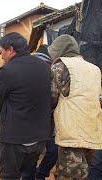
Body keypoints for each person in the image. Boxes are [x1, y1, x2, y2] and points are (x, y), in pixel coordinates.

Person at [0, 32, 52, 180]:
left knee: (9, 176)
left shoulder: (7, 71)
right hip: (39, 137)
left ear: (11, 50)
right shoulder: (44, 67)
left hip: (15, 138)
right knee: (29, 173)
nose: (2, 57)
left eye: (2, 52)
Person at [49, 34, 102, 179]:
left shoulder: (60, 67)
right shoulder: (95, 69)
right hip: (93, 132)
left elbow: (50, 99)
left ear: (59, 51)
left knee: (70, 175)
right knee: (82, 173)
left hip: (72, 134)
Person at [21, 45, 59, 180]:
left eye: (47, 64)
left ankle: (41, 173)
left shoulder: (55, 75)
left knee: (54, 150)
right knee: (31, 157)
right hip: (32, 123)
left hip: (50, 121)